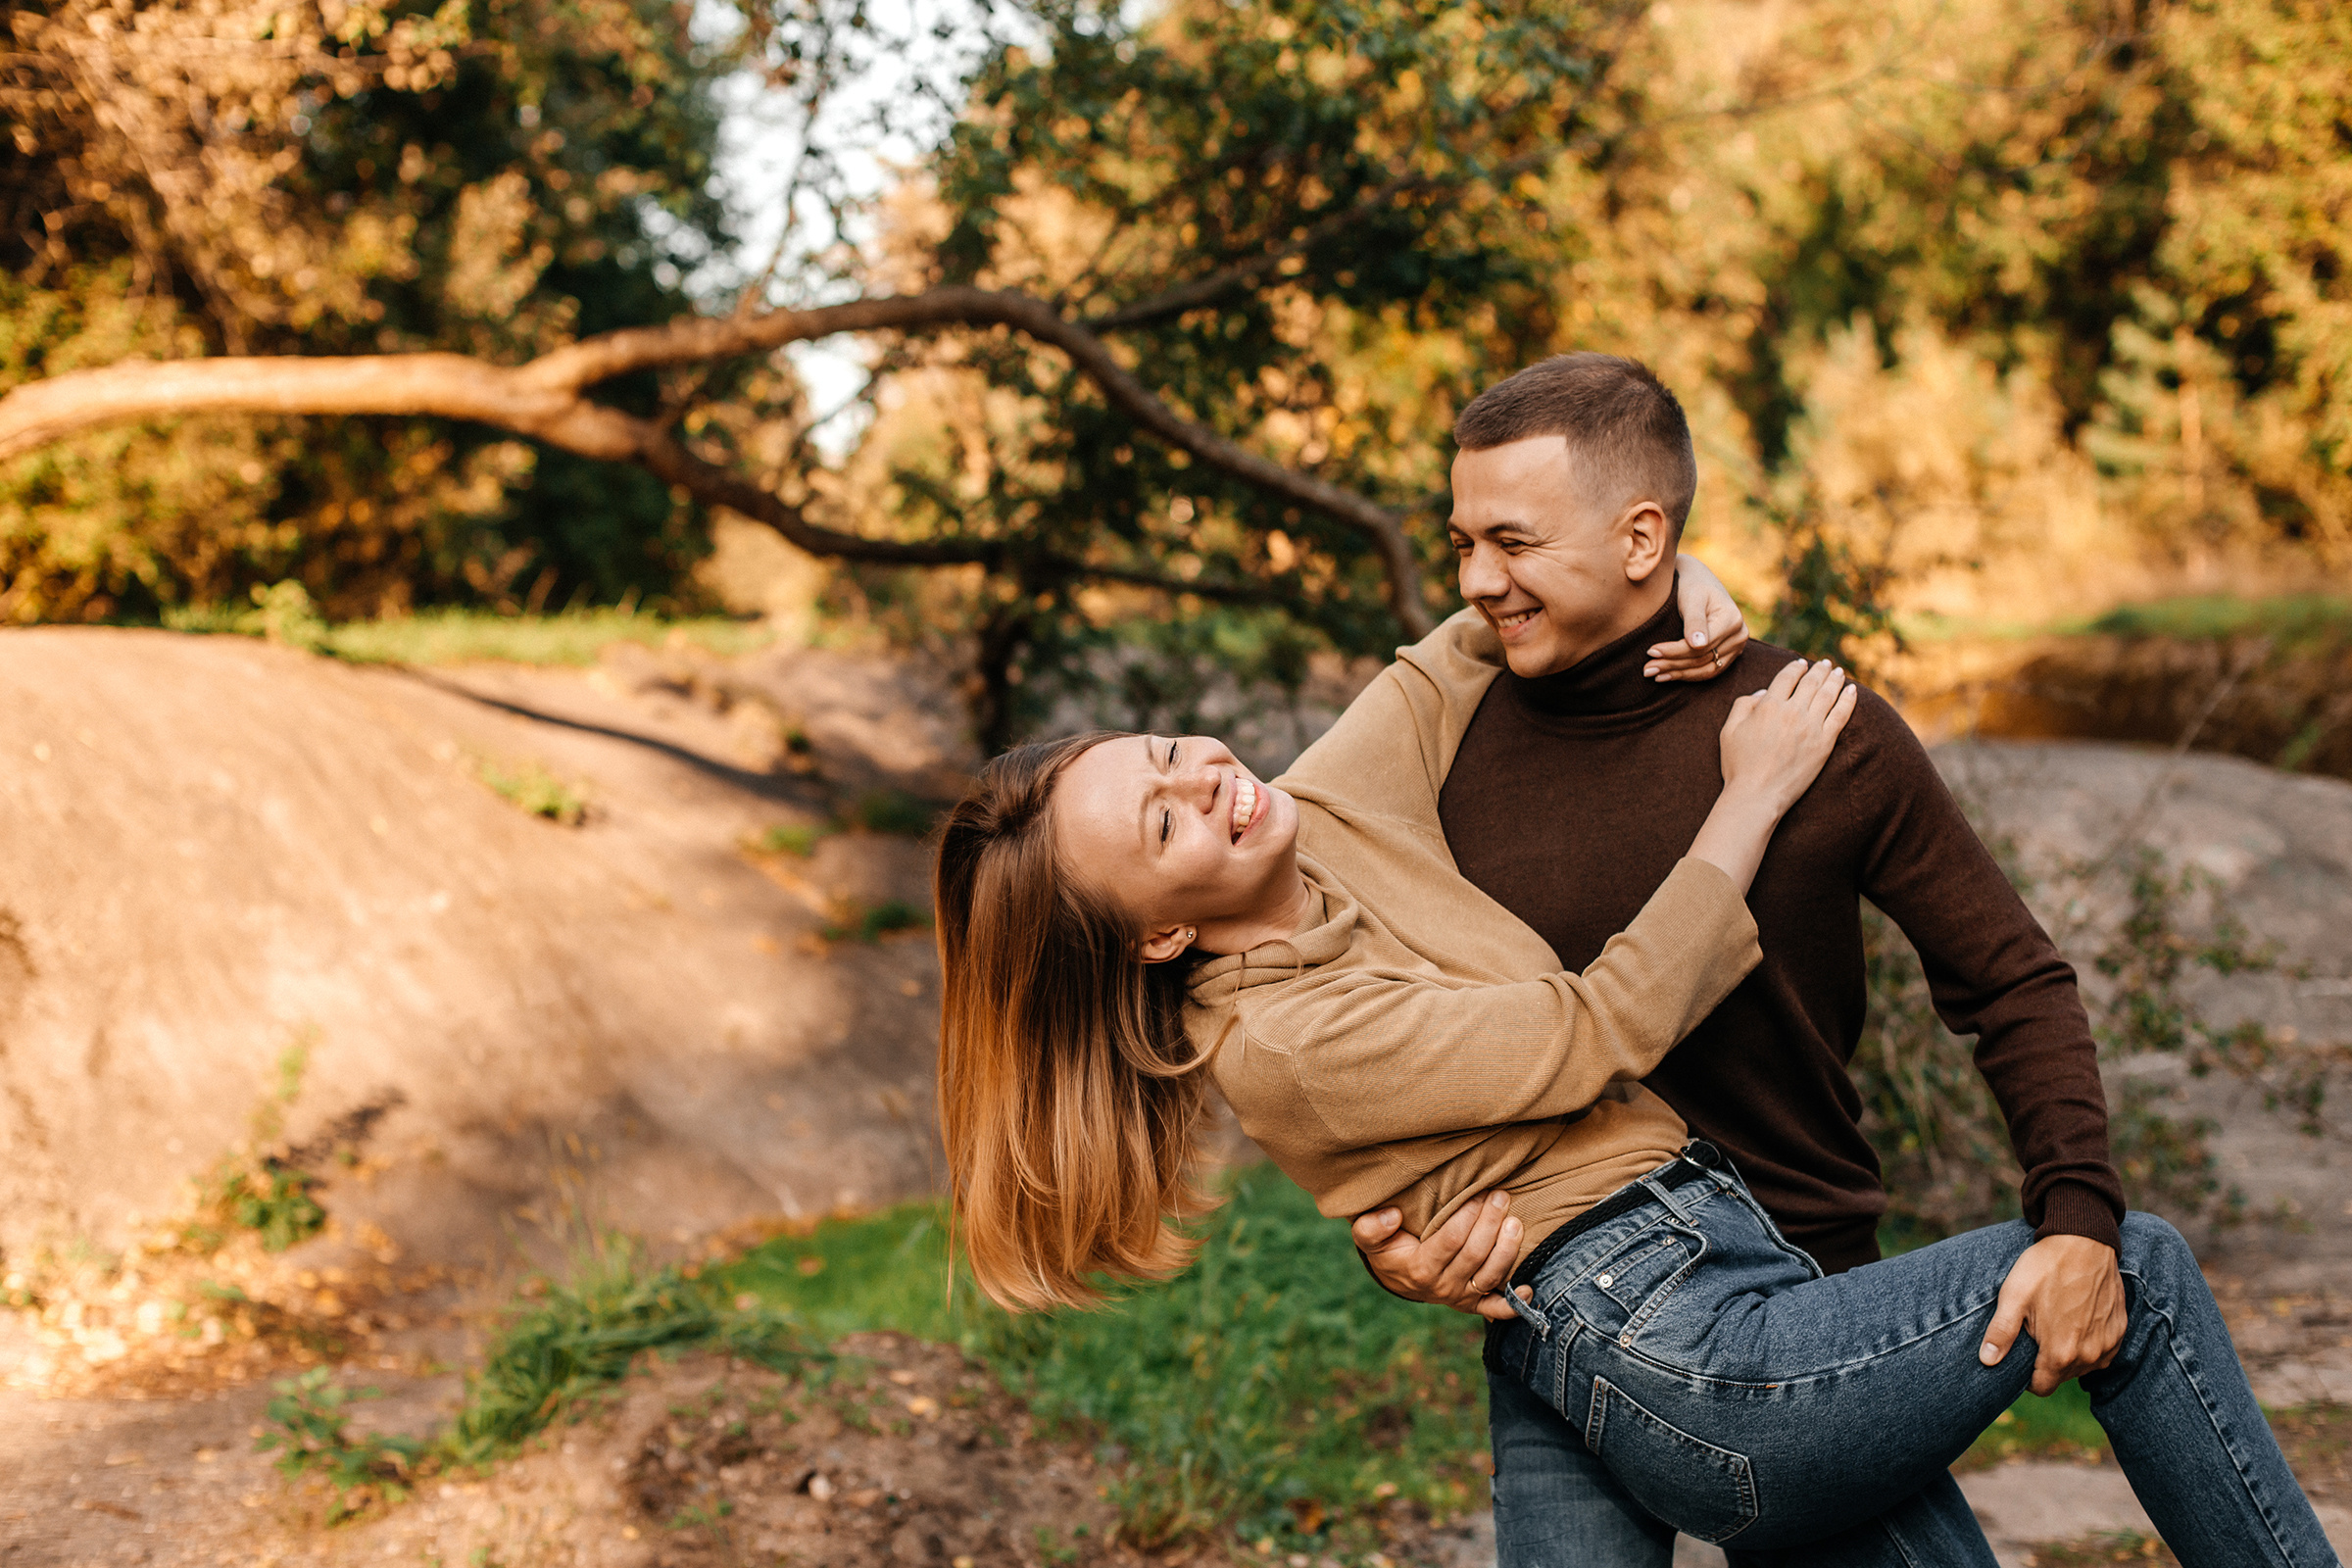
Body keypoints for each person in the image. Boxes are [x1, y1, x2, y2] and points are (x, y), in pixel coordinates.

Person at [931, 692, 2335, 1564]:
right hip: (1684, 1344)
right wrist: (1756, 787)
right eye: (1164, 823)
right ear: (1164, 931)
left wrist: (1687, 567)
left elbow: (1468, 638)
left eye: (1172, 750)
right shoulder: (1284, 1043)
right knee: (2127, 1266)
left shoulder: (1310, 808)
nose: (1209, 781)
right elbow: (1599, 1027)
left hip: (1585, 1328)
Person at [1336, 353, 2144, 1563]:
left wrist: (2076, 1211)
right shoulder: (1443, 748)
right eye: (1460, 543)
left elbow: (2011, 980)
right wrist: (1399, 1215)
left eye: (1509, 540)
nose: (1474, 582)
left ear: (1644, 534)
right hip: (1558, 1327)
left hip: (1804, 1313)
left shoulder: (1811, 729)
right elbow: (1371, 1002)